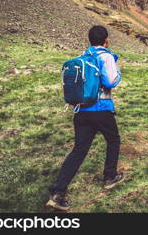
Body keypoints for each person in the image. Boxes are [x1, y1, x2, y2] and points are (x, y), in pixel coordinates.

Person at [47, 26, 124, 211]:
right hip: (101, 109)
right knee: (113, 139)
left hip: (81, 110)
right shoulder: (105, 56)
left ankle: (58, 192)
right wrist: (118, 71)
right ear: (106, 40)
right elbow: (110, 81)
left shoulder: (84, 55)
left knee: (79, 150)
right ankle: (109, 176)